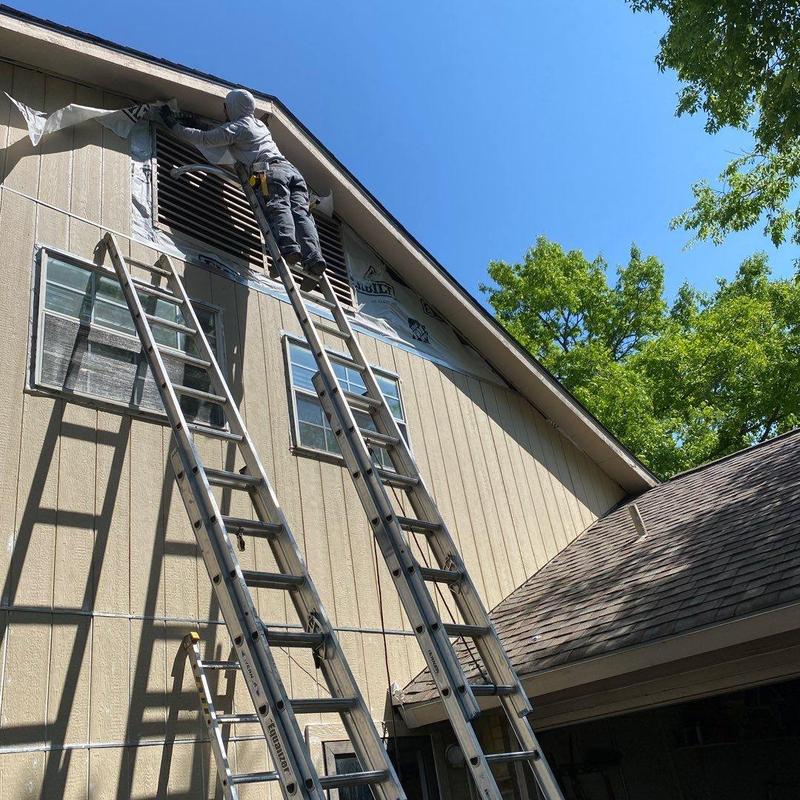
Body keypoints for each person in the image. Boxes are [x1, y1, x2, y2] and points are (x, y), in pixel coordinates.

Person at [160, 89, 326, 281]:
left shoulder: (239, 127)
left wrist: (174, 125)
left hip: (271, 172)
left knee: (278, 207)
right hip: (293, 172)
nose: (224, 111)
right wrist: (198, 122)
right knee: (301, 214)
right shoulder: (259, 124)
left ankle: (288, 249)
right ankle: (314, 258)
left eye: (226, 107)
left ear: (233, 107)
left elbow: (205, 138)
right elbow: (223, 130)